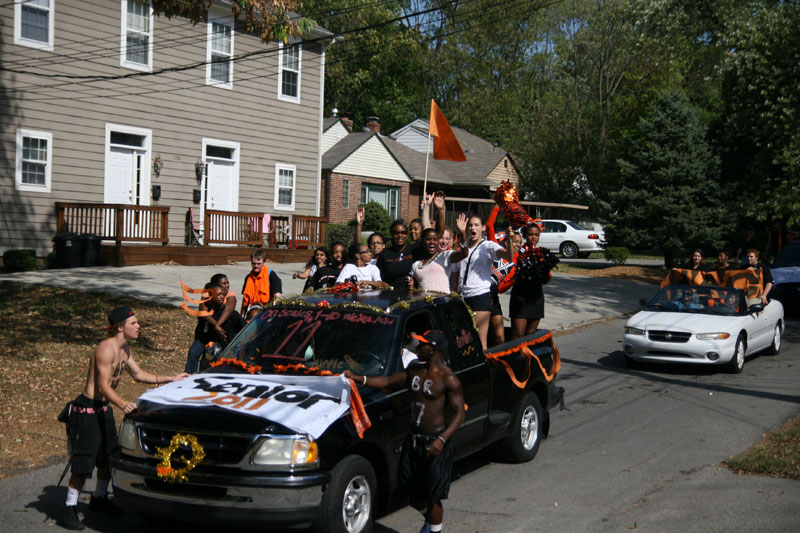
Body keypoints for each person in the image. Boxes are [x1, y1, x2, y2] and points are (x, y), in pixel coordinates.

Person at [59, 307, 189, 530]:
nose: (138, 326)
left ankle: (99, 499)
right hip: (87, 410)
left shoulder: (125, 350)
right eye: (134, 323)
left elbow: (138, 375)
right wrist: (123, 404)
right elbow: (102, 385)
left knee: (109, 458)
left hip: (104, 409)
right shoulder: (105, 349)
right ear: (120, 327)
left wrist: (171, 378)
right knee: (83, 464)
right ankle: (69, 509)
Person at [344, 330, 465, 533]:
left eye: (422, 344)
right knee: (411, 493)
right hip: (413, 440)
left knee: (433, 494)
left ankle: (435, 530)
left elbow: (460, 414)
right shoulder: (415, 370)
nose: (417, 347)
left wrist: (442, 440)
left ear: (433, 349)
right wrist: (358, 378)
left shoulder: (448, 378)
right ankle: (432, 521)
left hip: (434, 442)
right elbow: (388, 383)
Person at [458, 214, 514, 350]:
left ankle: (486, 370)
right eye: (470, 225)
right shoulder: (465, 247)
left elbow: (508, 256)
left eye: (476, 225)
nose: (473, 227)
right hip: (464, 296)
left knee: (479, 339)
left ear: (483, 228)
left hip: (480, 296)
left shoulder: (487, 246)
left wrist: (510, 239)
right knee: (465, 339)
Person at [185, 282, 246, 373]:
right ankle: (188, 377)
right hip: (212, 352)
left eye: (223, 294)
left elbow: (246, 330)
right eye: (218, 294)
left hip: (231, 353)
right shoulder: (207, 315)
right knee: (199, 359)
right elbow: (202, 332)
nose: (222, 297)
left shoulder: (232, 315)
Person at [510, 223, 557, 339]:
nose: (533, 237)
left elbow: (547, 276)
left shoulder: (542, 253)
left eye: (536, 235)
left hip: (536, 298)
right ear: (525, 235)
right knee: (518, 335)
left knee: (530, 336)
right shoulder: (519, 252)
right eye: (530, 234)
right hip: (520, 298)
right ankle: (512, 356)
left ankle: (527, 357)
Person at [409, 223, 468, 293]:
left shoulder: (445, 256)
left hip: (442, 301)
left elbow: (464, 254)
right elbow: (413, 287)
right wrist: (410, 284)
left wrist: (463, 234)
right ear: (423, 242)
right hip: (424, 302)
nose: (432, 242)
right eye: (428, 239)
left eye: (435, 239)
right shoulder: (416, 265)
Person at [378, 220, 421, 290]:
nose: (400, 235)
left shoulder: (415, 250)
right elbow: (380, 279)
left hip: (412, 295)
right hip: (391, 295)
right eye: (396, 233)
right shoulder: (384, 254)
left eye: (403, 232)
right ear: (392, 234)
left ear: (407, 234)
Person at [240, 249, 282, 321]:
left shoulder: (271, 275)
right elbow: (245, 300)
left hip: (268, 310)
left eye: (258, 263)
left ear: (264, 262)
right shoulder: (248, 277)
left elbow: (277, 297)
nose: (255, 266)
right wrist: (241, 317)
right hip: (253, 310)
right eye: (253, 263)